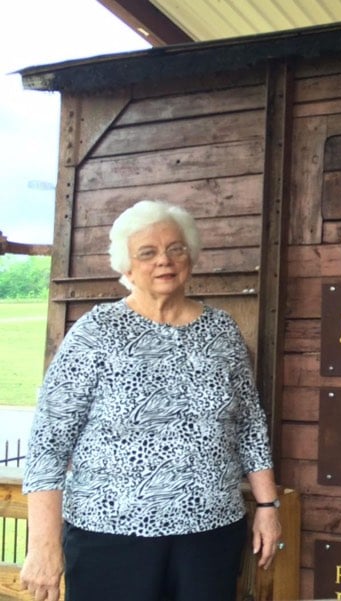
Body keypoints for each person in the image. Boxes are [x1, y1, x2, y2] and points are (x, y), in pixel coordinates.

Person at [20, 200, 282, 601]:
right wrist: (42, 544)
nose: (165, 260)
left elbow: (249, 423)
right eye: (148, 252)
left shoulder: (222, 332)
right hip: (109, 539)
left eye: (176, 248)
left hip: (209, 537)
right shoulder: (96, 333)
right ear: (126, 266)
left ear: (191, 257)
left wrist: (267, 504)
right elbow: (48, 443)